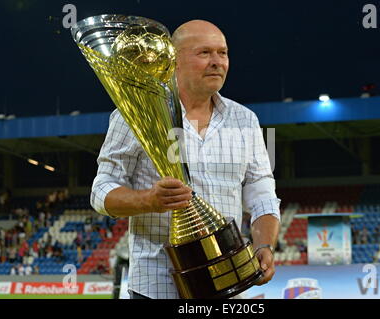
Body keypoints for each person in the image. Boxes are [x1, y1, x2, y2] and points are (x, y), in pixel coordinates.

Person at [90, 20, 280, 299]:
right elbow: (100, 190)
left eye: (223, 53)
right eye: (204, 53)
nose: (217, 62)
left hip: (227, 285)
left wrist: (265, 245)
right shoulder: (135, 115)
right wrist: (148, 200)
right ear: (174, 60)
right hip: (157, 285)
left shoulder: (245, 120)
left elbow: (261, 189)